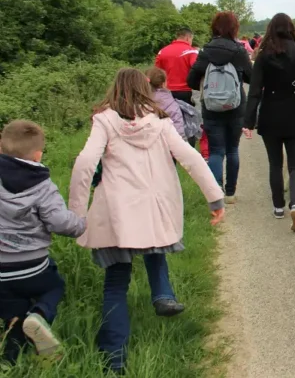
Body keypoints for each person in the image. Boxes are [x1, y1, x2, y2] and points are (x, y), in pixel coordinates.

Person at [68, 68, 225, 374]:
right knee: (154, 247)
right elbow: (190, 157)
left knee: (115, 284)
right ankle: (163, 295)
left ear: (115, 90)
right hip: (153, 208)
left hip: (115, 213)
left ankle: (114, 360)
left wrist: (76, 214)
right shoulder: (160, 122)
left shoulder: (104, 120)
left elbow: (86, 161)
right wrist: (214, 197)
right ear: (146, 91)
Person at [0, 120, 86, 364]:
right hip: (32, 267)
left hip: (1, 275)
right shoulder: (42, 185)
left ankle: (9, 361)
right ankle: (39, 314)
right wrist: (81, 223)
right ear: (38, 155)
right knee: (53, 286)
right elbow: (61, 223)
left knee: (13, 314)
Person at [243, 13, 295, 230]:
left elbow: (255, 91)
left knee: (275, 164)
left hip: (270, 114)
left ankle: (278, 207)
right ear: (291, 28)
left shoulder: (264, 55)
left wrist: (248, 121)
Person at [187, 12, 252, 204]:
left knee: (216, 151)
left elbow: (190, 80)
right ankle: (231, 193)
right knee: (232, 149)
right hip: (236, 107)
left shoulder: (205, 51)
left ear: (214, 27)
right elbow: (252, 77)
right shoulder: (238, 51)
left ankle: (217, 193)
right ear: (235, 28)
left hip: (211, 108)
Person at [155, 27, 200, 147]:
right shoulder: (191, 52)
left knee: (167, 123)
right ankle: (188, 150)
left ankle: (168, 152)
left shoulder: (162, 51)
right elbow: (196, 70)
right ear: (188, 37)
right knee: (187, 123)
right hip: (185, 92)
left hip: (166, 93)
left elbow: (156, 73)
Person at [146, 67, 185, 138]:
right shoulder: (170, 102)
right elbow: (178, 125)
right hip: (169, 141)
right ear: (164, 83)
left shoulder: (140, 100)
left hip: (147, 142)